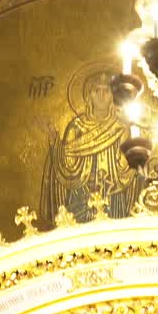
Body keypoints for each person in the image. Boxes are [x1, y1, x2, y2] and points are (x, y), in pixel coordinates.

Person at [41, 69, 140, 223]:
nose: (101, 95)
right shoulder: (76, 127)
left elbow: (125, 167)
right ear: (89, 97)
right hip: (81, 193)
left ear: (112, 97)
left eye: (106, 91)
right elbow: (68, 165)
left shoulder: (120, 127)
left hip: (111, 193)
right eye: (96, 91)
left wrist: (135, 149)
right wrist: (55, 143)